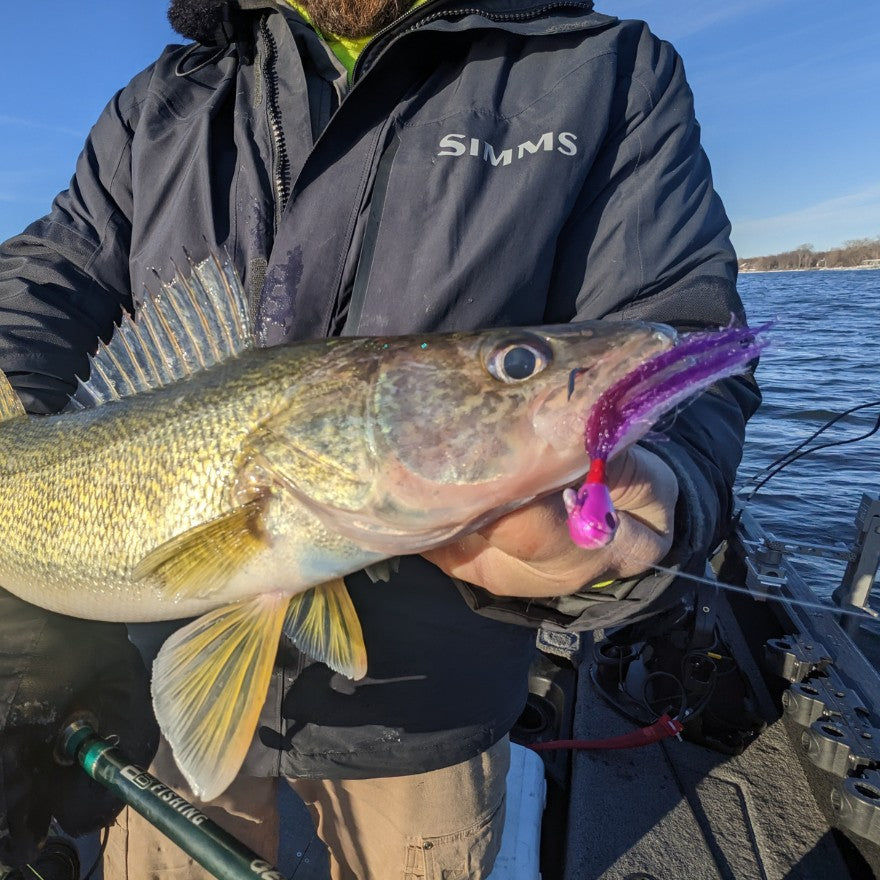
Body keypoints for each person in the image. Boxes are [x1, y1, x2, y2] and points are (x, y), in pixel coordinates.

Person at [0, 1, 761, 878]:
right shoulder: (160, 105)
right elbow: (49, 280)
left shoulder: (608, 70)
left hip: (431, 713)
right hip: (152, 702)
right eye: (517, 365)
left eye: (514, 364)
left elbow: (683, 343)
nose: (526, 374)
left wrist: (661, 489)